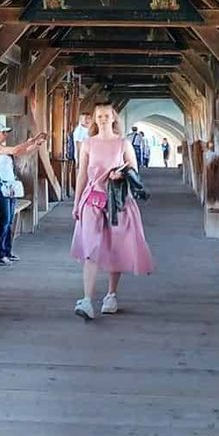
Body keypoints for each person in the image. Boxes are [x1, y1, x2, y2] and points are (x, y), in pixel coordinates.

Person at [70, 103, 154, 320]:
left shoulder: (123, 143)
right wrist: (77, 203)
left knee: (116, 247)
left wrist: (121, 174)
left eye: (106, 115)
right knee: (90, 248)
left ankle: (111, 295)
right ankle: (87, 300)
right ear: (94, 119)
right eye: (99, 115)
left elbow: (134, 171)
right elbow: (82, 174)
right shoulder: (88, 143)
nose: (103, 119)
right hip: (93, 200)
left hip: (119, 202)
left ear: (114, 118)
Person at [0, 126, 45, 266]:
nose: (6, 134)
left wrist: (35, 145)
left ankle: (7, 251)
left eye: (7, 132)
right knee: (5, 220)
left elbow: (21, 152)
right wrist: (31, 141)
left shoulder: (4, 148)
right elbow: (15, 150)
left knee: (10, 220)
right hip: (0, 186)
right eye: (3, 132)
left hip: (10, 186)